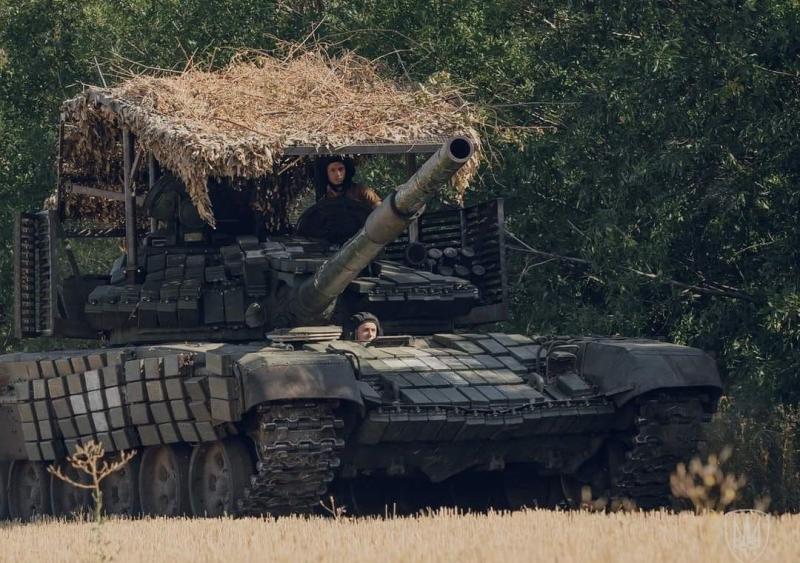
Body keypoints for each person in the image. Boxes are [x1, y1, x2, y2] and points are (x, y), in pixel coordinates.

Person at [315, 156, 381, 209]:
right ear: (326, 174)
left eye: (340, 169)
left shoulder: (361, 191)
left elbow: (379, 209)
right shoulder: (324, 197)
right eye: (332, 170)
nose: (337, 174)